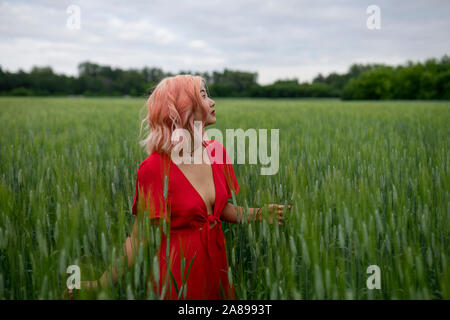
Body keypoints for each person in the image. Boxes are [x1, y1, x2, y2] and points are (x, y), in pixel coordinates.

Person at [65, 74, 290, 300]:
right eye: (202, 95)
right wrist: (100, 283)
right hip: (178, 275)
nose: (212, 101)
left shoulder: (217, 152)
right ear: (185, 108)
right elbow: (138, 238)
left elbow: (219, 211)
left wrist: (258, 215)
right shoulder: (154, 169)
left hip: (217, 267)